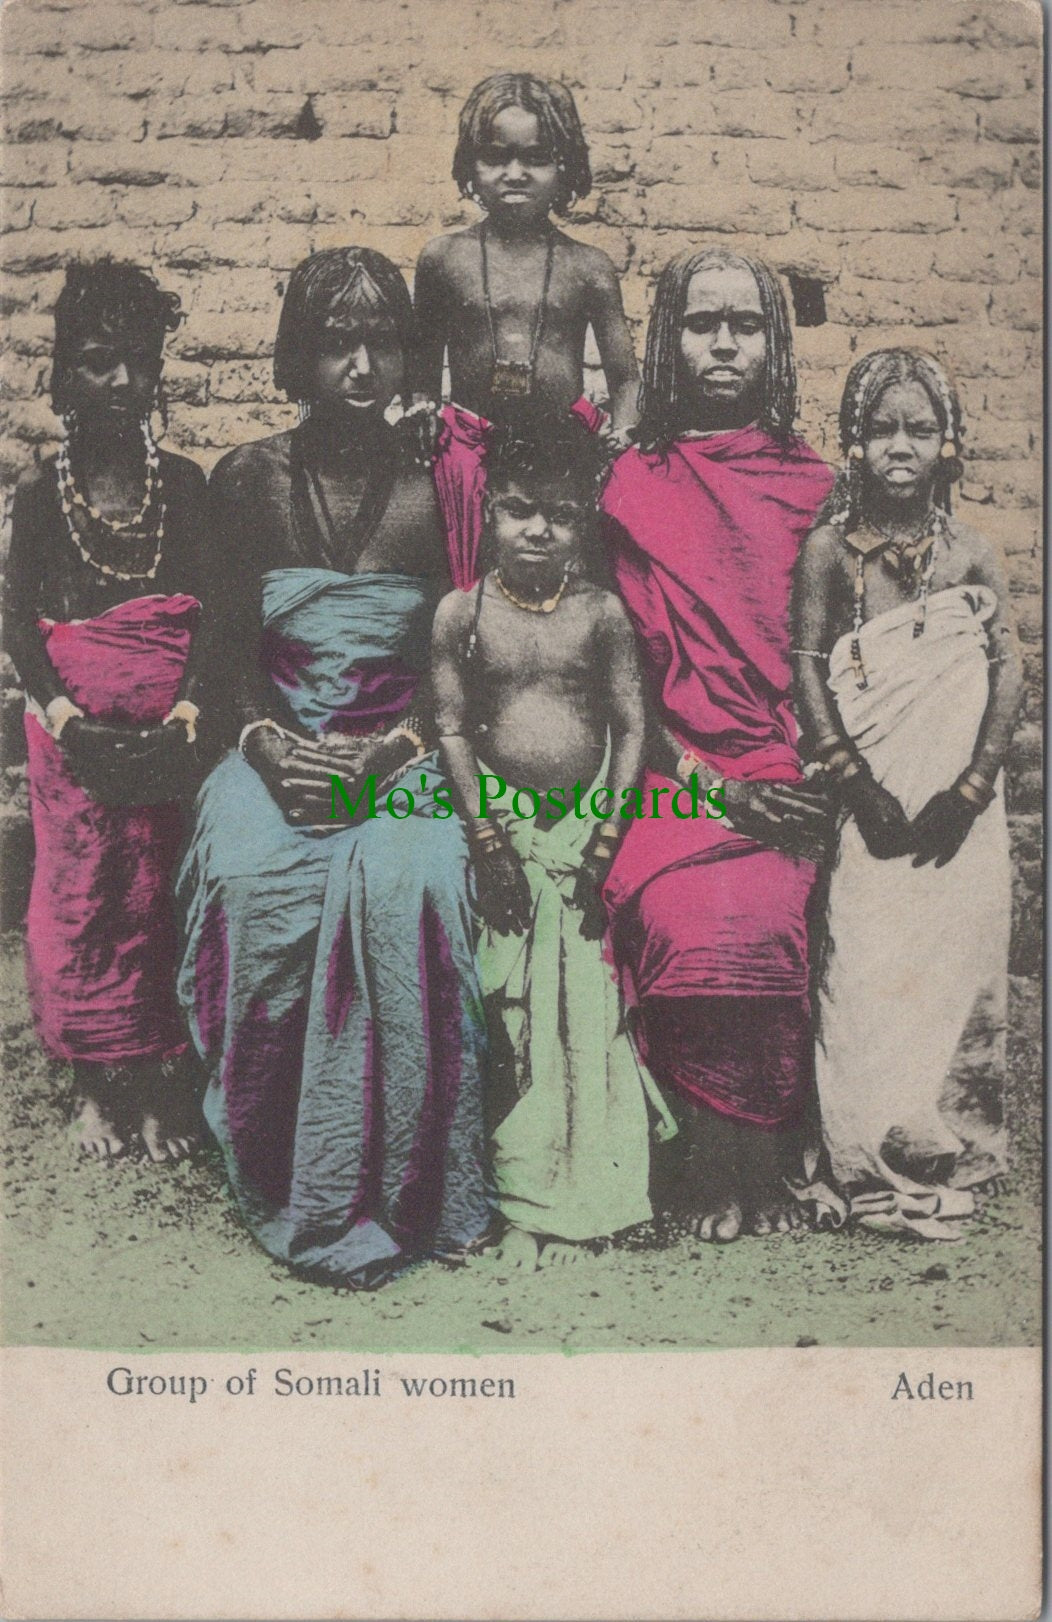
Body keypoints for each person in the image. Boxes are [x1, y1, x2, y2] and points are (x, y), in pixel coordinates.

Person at [176, 247, 490, 1287]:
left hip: (399, 745)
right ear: (296, 354)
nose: (360, 365)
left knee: (417, 883)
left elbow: (461, 657)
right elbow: (222, 660)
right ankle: (287, 1166)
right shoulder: (248, 479)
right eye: (335, 343)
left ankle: (406, 1183)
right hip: (276, 745)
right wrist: (274, 749)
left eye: (381, 343)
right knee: (251, 885)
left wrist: (389, 751)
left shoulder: (438, 484)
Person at [599, 246, 834, 1242]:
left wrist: (811, 770)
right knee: (680, 907)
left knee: (773, 907)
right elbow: (621, 688)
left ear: (772, 344)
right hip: (673, 770)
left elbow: (838, 660)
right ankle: (702, 1161)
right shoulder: (631, 484)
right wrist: (705, 784)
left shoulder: (814, 485)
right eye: (703, 323)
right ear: (667, 339)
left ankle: (763, 1157)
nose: (725, 343)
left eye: (744, 323)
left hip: (788, 767)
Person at [431, 422, 675, 1271]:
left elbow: (633, 723)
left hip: (582, 834)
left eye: (560, 517)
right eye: (520, 512)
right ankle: (514, 1196)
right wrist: (490, 842)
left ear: (584, 525)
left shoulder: (600, 614)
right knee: (511, 1003)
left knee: (585, 1005)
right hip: (502, 831)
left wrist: (606, 838)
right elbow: (454, 729)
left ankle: (588, 1197)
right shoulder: (462, 613)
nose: (538, 531)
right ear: (490, 513)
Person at [791, 348, 1022, 1240]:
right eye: (881, 429)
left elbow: (1008, 676)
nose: (900, 446)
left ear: (948, 443)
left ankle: (942, 1140)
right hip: (875, 802)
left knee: (952, 962)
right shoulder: (828, 555)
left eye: (918, 429)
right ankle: (863, 1148)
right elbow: (809, 671)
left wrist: (970, 788)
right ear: (852, 443)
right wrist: (859, 785)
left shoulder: (972, 553)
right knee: (868, 959)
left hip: (960, 808)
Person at [3, 259, 215, 1163]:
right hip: (75, 748)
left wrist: (184, 721)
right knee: (80, 903)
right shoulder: (40, 500)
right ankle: (97, 1088)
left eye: (135, 361)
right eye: (96, 362)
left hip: (169, 745)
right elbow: (16, 622)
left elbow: (217, 619)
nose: (120, 382)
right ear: (62, 378)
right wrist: (65, 720)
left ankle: (164, 1088)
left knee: (158, 898)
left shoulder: (189, 489)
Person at [412, 71, 640, 587]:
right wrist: (423, 409)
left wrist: (620, 443)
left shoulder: (589, 266)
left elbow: (625, 378)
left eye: (535, 158)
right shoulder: (444, 259)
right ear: (470, 164)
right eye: (495, 158)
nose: (514, 173)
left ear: (566, 168)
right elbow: (421, 371)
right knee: (467, 581)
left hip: (564, 453)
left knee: (568, 587)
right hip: (469, 450)